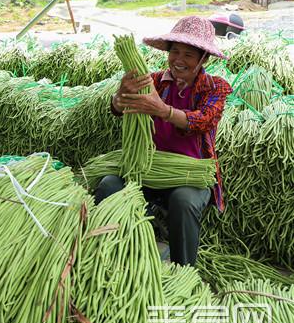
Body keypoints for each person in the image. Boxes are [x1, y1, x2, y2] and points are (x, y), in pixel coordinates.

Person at [96, 16, 233, 266]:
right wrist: (120, 95)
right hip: (146, 168)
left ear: (204, 59)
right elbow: (118, 110)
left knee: (184, 201)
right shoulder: (154, 82)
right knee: (109, 185)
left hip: (188, 175)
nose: (179, 60)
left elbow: (204, 120)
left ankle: (184, 270)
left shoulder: (215, 88)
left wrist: (163, 110)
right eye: (175, 52)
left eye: (189, 55)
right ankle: (115, 259)